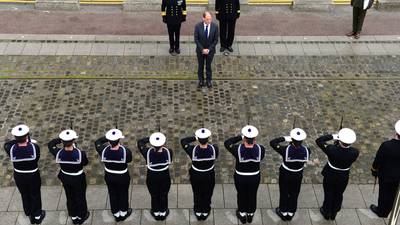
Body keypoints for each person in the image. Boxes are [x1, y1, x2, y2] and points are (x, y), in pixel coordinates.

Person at [3, 124, 46, 224]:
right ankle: (37, 215)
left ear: (15, 137)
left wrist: (18, 140)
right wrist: (27, 140)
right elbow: (37, 158)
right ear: (27, 136)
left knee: (24, 194)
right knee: (35, 194)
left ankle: (28, 212)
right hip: (32, 175)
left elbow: (7, 144)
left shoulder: (11, 149)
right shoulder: (34, 147)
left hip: (19, 176)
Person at [224, 125, 265, 224]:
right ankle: (250, 214)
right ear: (254, 139)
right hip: (254, 177)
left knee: (241, 194)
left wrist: (240, 137)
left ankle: (242, 214)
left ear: (244, 139)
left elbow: (227, 143)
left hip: (240, 177)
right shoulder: (261, 149)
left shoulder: (237, 149)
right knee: (252, 194)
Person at [315, 128, 359, 220]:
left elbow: (319, 140)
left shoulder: (332, 149)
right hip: (343, 176)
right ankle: (334, 212)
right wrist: (339, 142)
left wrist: (334, 136)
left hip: (330, 174)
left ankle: (326, 212)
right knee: (339, 194)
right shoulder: (355, 152)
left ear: (340, 140)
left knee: (328, 193)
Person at [48, 129, 90, 225]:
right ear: (73, 141)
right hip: (78, 178)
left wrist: (61, 139)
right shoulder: (80, 154)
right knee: (80, 196)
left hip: (65, 177)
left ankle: (73, 215)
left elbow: (50, 144)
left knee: (70, 196)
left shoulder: (58, 152)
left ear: (63, 142)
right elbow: (85, 163)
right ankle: (81, 215)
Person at [270, 128, 310, 221]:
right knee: (294, 193)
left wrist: (285, 138)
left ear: (292, 139)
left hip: (286, 174)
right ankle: (291, 212)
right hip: (298, 175)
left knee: (284, 192)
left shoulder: (285, 150)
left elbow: (273, 142)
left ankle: (283, 211)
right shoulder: (307, 150)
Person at [180, 128, 219, 221]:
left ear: (199, 139)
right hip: (209, 175)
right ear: (208, 139)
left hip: (196, 175)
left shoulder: (192, 150)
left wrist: (195, 137)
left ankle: (198, 211)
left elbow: (183, 141)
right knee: (207, 193)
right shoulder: (214, 149)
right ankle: (205, 211)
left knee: (197, 193)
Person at [94, 128, 133, 222]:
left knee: (112, 194)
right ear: (119, 139)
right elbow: (129, 160)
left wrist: (108, 138)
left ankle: (116, 213)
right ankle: (123, 212)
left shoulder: (102, 150)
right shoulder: (126, 151)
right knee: (123, 193)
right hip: (122, 176)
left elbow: (98, 142)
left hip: (109, 175)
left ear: (109, 141)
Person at [137, 132, 173, 221]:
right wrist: (158, 139)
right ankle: (163, 212)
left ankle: (156, 212)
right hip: (164, 176)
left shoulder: (147, 152)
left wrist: (152, 138)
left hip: (152, 177)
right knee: (164, 195)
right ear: (163, 143)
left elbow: (140, 142)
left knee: (154, 195)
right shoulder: (169, 152)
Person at [370, 120, 400, 217]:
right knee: (393, 195)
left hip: (386, 175)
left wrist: (374, 170)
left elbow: (378, 160)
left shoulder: (387, 145)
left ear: (396, 132)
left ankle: (381, 211)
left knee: (383, 194)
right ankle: (387, 210)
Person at [194, 11, 219, 88]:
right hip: (200, 51)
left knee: (208, 66)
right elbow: (196, 39)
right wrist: (202, 49)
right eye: (207, 19)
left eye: (210, 19)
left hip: (210, 51)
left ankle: (209, 81)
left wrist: (209, 49)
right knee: (200, 66)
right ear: (203, 18)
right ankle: (201, 80)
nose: (209, 21)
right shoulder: (198, 26)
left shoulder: (215, 26)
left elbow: (216, 40)